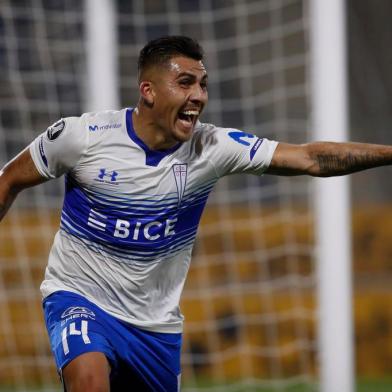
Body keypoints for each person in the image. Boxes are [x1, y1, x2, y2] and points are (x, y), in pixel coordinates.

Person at [0, 35, 391, 391]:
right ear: (148, 91)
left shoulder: (213, 147)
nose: (199, 95)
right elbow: (8, 180)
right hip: (78, 296)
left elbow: (308, 158)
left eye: (202, 84)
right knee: (88, 379)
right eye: (185, 82)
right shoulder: (81, 137)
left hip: (154, 326)